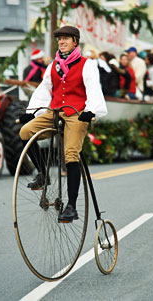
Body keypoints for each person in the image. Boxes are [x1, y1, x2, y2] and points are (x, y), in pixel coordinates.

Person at [19, 25, 107, 222]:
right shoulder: (53, 66)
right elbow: (44, 91)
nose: (62, 42)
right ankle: (43, 174)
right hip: (55, 111)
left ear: (75, 41)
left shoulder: (87, 64)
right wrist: (32, 113)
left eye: (66, 39)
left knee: (70, 154)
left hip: (77, 113)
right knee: (25, 132)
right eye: (59, 39)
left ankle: (71, 207)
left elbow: (94, 89)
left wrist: (91, 111)